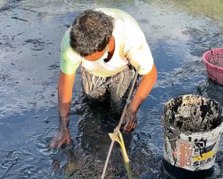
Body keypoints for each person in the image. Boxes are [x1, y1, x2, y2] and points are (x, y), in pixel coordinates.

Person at [50, 8, 157, 149]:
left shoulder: (130, 37)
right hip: (92, 72)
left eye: (88, 55)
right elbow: (65, 83)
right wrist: (63, 126)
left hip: (122, 67)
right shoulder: (72, 42)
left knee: (119, 111)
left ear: (108, 42)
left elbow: (150, 75)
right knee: (94, 105)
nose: (81, 57)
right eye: (81, 55)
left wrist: (132, 109)